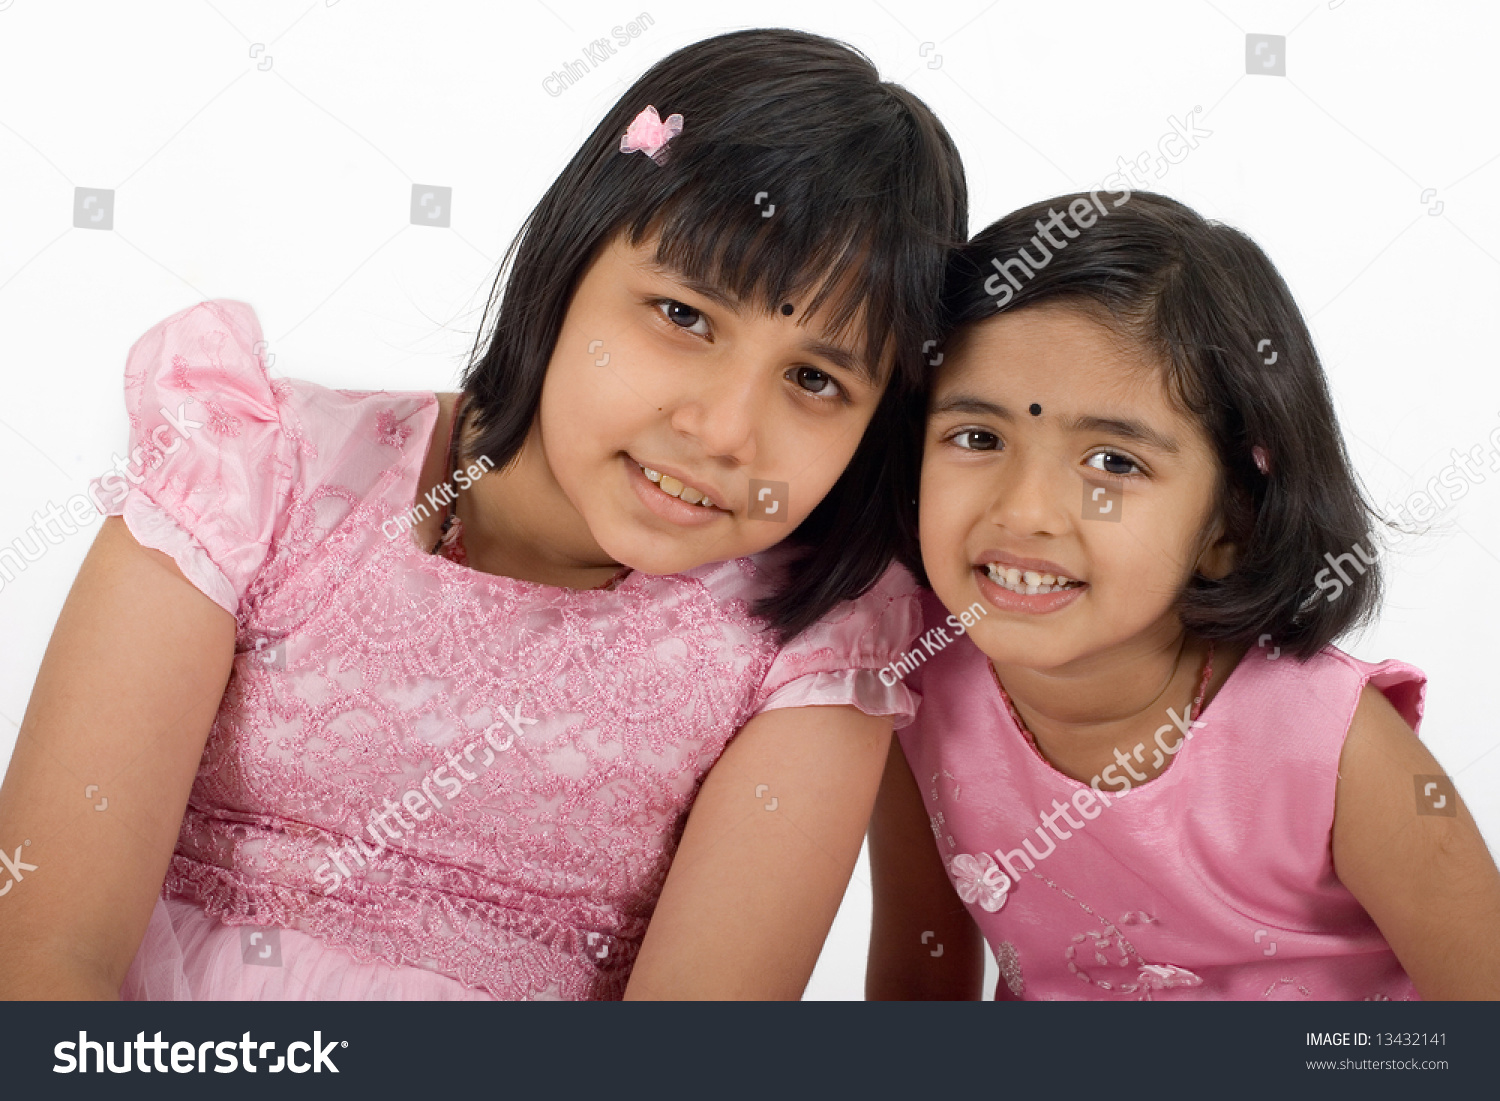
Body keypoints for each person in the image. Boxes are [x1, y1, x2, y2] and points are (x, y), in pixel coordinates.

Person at [0, 28, 967, 1000]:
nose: (723, 430)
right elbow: (43, 959)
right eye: (683, 316)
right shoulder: (261, 471)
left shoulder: (810, 646)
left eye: (813, 378)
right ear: (572, 258)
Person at [867, 191, 1500, 1000]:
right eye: (978, 437)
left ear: (1228, 521)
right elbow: (918, 980)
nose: (1024, 510)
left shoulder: (1334, 746)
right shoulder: (915, 678)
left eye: (1114, 463)